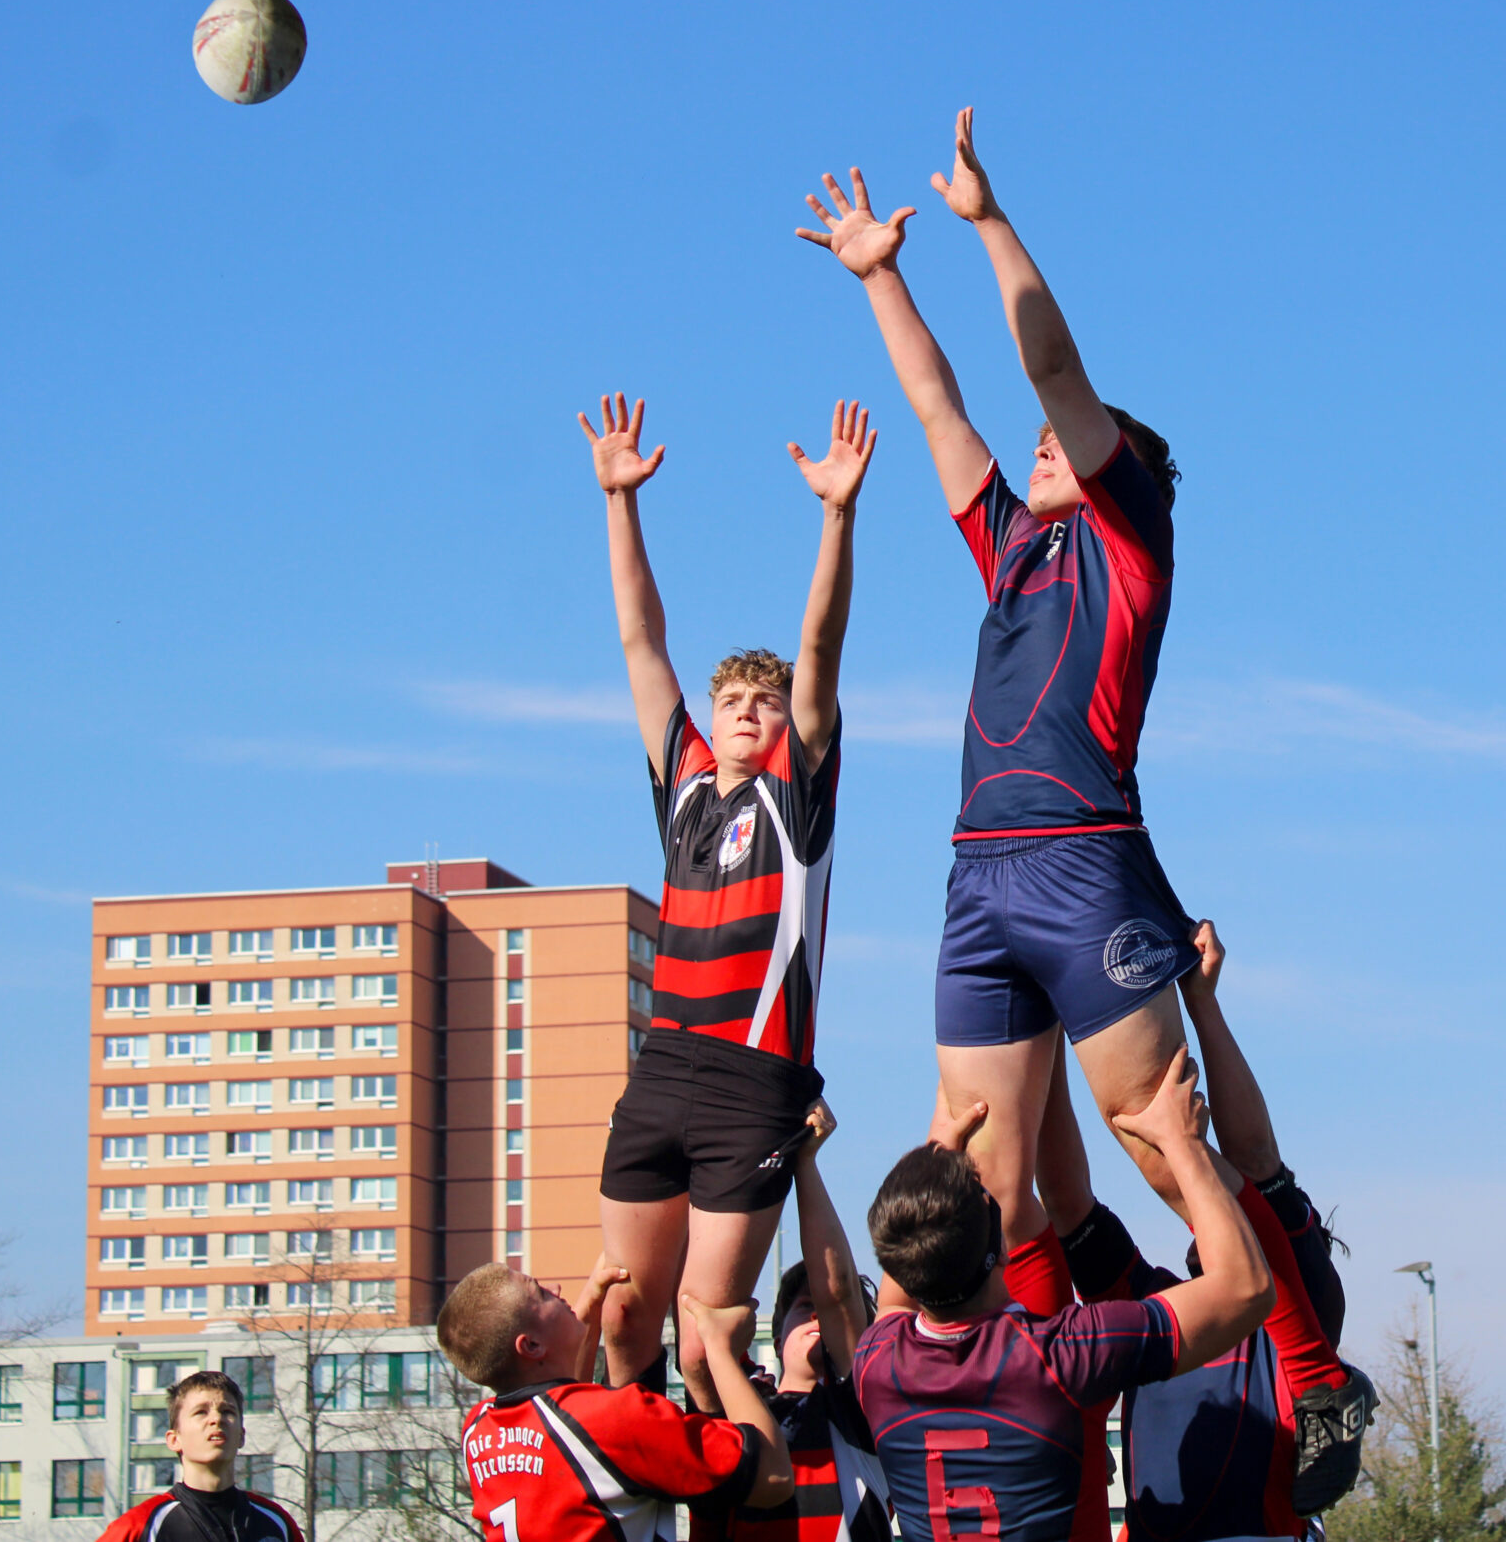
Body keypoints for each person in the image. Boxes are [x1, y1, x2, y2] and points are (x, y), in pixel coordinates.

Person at [796, 110, 1199, 1311]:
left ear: (1121, 465)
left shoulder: (1130, 545)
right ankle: (1035, 1413)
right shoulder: (1015, 547)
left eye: (1068, 443)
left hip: (1083, 865)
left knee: (1150, 1135)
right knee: (976, 1174)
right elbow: (936, 407)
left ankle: (1303, 1356)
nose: (1039, 443)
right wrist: (881, 275)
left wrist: (988, 224)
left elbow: (1051, 371)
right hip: (979, 876)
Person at [578, 391, 876, 1394]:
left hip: (753, 1087)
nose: (748, 714)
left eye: (763, 702)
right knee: (624, 1318)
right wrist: (621, 503)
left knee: (712, 1333)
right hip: (661, 1069)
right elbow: (639, 643)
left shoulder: (800, 791)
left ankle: (724, 1503)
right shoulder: (687, 787)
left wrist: (835, 517)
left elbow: (822, 652)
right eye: (732, 702)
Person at [853, 1051, 1274, 1542]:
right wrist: (1183, 1146)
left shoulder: (876, 1364)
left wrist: (934, 1166)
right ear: (1001, 1252)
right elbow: (1247, 1288)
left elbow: (895, 1299)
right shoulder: (1059, 1357)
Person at [1040, 921, 1375, 1538]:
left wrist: (1202, 1008)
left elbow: (1253, 1168)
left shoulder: (1296, 1303)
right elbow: (1066, 1203)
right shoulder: (1154, 1305)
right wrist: (1043, 1038)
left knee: (1241, 1173)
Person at [439, 1254, 793, 1542]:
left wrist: (590, 1308)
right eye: (541, 1294)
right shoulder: (612, 1417)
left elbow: (566, 1428)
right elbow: (774, 1479)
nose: (556, 1287)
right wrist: (721, 1350)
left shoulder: (479, 1428)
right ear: (530, 1346)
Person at [692, 1097, 895, 1542]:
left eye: (821, 1307)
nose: (819, 1317)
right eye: (805, 1308)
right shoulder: (739, 1400)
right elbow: (700, 1327)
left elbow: (838, 1293)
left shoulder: (856, 1413)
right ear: (777, 1330)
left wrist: (806, 1162)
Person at [99, 1369, 304, 1542]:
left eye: (227, 1411)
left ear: (241, 1436)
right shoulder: (141, 1527)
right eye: (201, 1412)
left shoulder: (277, 1524)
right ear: (174, 1439)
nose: (216, 1419)